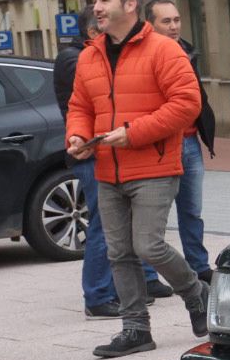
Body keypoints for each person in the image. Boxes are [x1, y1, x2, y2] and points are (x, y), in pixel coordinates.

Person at [65, 0, 208, 358]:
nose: (96, 7)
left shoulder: (164, 50)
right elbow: (80, 106)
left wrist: (133, 134)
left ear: (129, 6)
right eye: (94, 0)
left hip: (154, 164)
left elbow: (186, 104)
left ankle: (197, 295)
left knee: (148, 245)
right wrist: (77, 137)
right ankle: (135, 329)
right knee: (118, 252)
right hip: (107, 169)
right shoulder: (89, 56)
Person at [53, 18, 164, 317]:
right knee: (104, 227)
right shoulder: (75, 58)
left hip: (110, 149)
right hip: (92, 154)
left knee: (121, 227)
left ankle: (124, 288)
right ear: (93, 32)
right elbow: (87, 104)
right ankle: (98, 295)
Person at [144, 0, 215, 283]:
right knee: (152, 216)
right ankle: (148, 277)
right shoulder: (144, 55)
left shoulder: (187, 51)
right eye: (166, 21)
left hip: (190, 143)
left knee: (192, 212)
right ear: (150, 24)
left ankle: (199, 266)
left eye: (176, 20)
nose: (174, 27)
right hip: (159, 145)